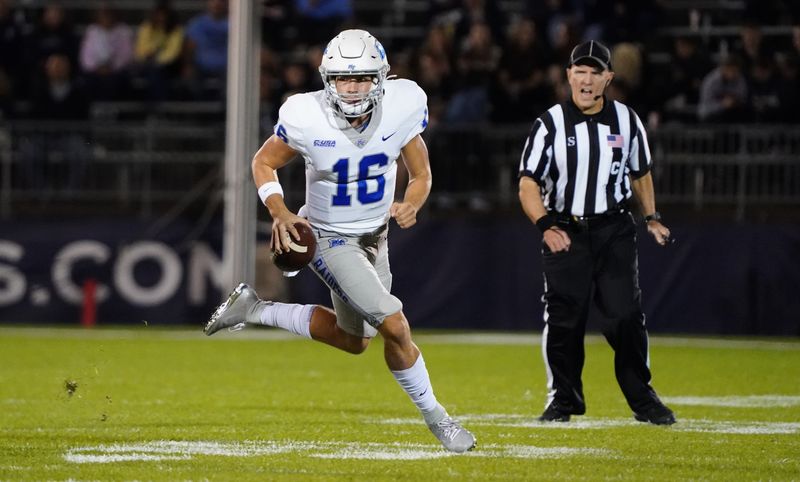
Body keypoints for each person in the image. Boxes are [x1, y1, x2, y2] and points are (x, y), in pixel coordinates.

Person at [204, 29, 476, 453]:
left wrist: (412, 202)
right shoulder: (306, 114)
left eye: (363, 78)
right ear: (327, 79)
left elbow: (421, 174)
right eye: (344, 78)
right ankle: (440, 421)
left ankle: (254, 309)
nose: (352, 87)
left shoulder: (402, 107)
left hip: (377, 237)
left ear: (381, 78)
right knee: (395, 324)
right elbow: (263, 162)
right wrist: (280, 211)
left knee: (355, 341)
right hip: (330, 237)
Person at [517, 40, 676, 426]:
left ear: (609, 78)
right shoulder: (549, 124)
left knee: (624, 315)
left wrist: (651, 216)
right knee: (564, 319)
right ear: (568, 75)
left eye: (594, 73)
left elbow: (640, 172)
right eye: (579, 71)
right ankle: (564, 400)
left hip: (613, 228)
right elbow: (527, 183)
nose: (586, 80)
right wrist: (546, 225)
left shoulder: (627, 120)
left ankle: (643, 398)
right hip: (565, 229)